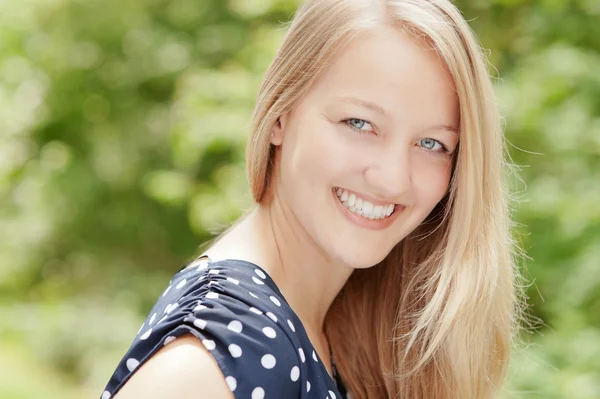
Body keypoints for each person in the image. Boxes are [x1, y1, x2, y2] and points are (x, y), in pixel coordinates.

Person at [101, 0, 521, 398]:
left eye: (431, 143)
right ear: (281, 114)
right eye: (359, 122)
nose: (393, 179)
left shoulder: (339, 328)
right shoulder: (214, 360)